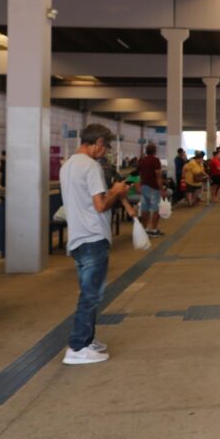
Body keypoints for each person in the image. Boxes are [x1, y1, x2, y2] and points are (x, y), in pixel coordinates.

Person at [59, 123, 137, 365]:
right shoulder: (91, 166)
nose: (106, 152)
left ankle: (87, 339)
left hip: (78, 237)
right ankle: (77, 346)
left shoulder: (68, 165)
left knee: (89, 291)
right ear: (98, 143)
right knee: (91, 295)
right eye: (106, 147)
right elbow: (101, 205)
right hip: (93, 236)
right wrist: (116, 191)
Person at [137, 143, 165, 237]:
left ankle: (145, 229)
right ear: (154, 151)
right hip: (154, 188)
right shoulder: (155, 160)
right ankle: (153, 229)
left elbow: (140, 175)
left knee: (145, 209)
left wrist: (140, 186)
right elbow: (158, 176)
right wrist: (162, 189)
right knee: (156, 209)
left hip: (144, 187)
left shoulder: (142, 160)